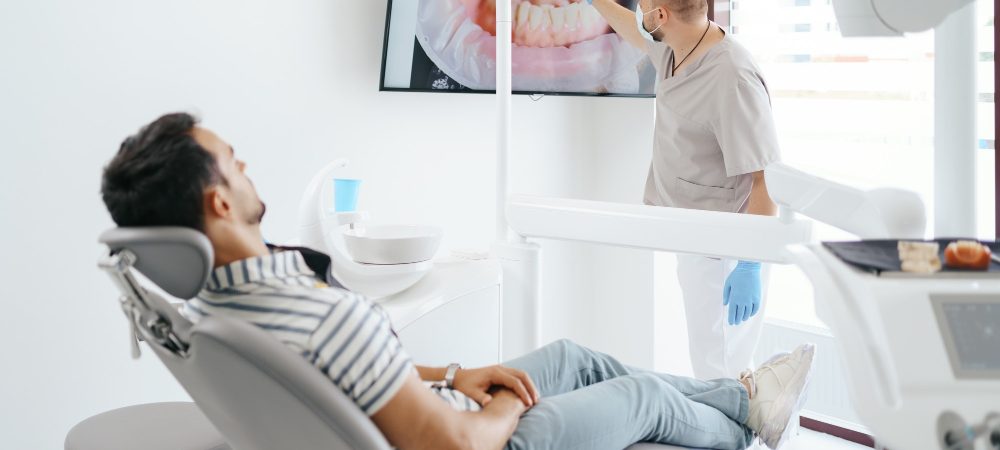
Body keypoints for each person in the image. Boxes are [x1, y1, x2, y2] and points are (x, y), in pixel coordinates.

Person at [100, 113, 813, 450]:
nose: (248, 164)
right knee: (645, 398)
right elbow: (453, 448)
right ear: (219, 201)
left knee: (571, 357)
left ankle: (744, 403)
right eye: (233, 160)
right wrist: (495, 409)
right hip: (476, 443)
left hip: (434, 404)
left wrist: (457, 371)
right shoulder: (314, 315)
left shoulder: (228, 299)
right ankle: (747, 421)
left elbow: (334, 378)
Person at [588, 0, 782, 380]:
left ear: (661, 16)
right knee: (712, 362)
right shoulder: (678, 46)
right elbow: (635, 30)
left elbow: (767, 178)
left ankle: (734, 435)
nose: (640, 12)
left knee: (721, 369)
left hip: (728, 248)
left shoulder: (732, 76)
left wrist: (750, 263)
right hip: (694, 234)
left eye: (644, 6)